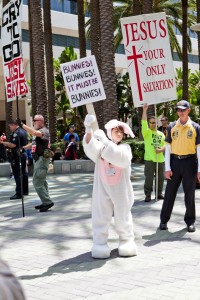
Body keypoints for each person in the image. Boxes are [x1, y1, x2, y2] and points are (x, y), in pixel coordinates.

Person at [83, 114, 138, 259]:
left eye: (121, 131)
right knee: (100, 214)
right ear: (110, 132)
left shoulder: (125, 148)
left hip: (121, 188)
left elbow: (122, 159)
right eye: (116, 131)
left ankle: (126, 240)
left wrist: (106, 142)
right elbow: (89, 147)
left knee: (123, 214)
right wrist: (89, 129)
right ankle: (100, 242)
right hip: (103, 187)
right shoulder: (101, 147)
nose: (119, 134)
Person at [160, 100, 200, 233]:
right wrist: (167, 168)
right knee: (169, 193)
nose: (180, 112)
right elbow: (167, 148)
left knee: (189, 194)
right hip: (175, 162)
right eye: (178, 110)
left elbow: (199, 150)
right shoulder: (171, 127)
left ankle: (190, 221)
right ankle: (164, 220)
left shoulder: (196, 127)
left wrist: (199, 170)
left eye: (183, 110)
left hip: (190, 162)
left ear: (189, 110)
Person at [17, 115, 54, 212]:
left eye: (34, 121)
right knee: (42, 181)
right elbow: (34, 143)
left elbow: (34, 132)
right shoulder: (38, 132)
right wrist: (24, 148)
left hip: (42, 159)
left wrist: (22, 125)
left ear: (41, 121)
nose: (33, 122)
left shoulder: (44, 130)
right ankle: (45, 201)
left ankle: (47, 202)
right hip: (38, 159)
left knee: (37, 181)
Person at [142, 104, 165, 202]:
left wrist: (161, 150)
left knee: (160, 179)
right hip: (149, 159)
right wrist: (144, 110)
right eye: (151, 123)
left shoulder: (161, 134)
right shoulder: (146, 132)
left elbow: (166, 146)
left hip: (160, 160)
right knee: (149, 179)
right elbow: (143, 121)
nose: (153, 124)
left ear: (157, 123)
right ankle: (148, 195)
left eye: (154, 122)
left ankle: (159, 193)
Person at [0, 121, 28, 199]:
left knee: (17, 174)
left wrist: (2, 143)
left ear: (14, 125)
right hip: (22, 154)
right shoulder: (23, 131)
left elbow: (13, 145)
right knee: (23, 173)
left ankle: (19, 193)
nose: (10, 128)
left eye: (10, 126)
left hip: (17, 155)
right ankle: (25, 191)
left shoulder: (17, 133)